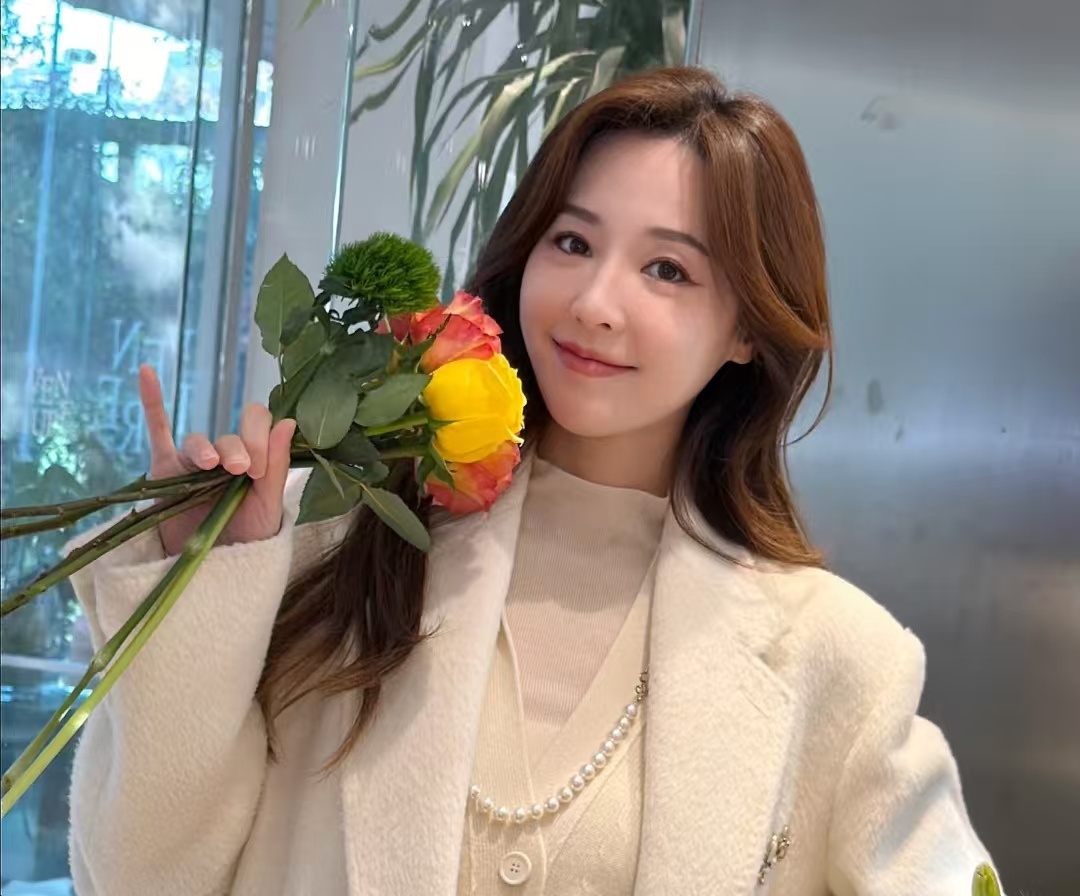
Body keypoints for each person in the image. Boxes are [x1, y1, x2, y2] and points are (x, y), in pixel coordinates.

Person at [65, 67, 998, 895]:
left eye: (668, 269)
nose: (595, 304)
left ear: (749, 329)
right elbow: (141, 879)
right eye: (574, 243)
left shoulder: (838, 659)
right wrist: (200, 586)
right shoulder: (333, 542)